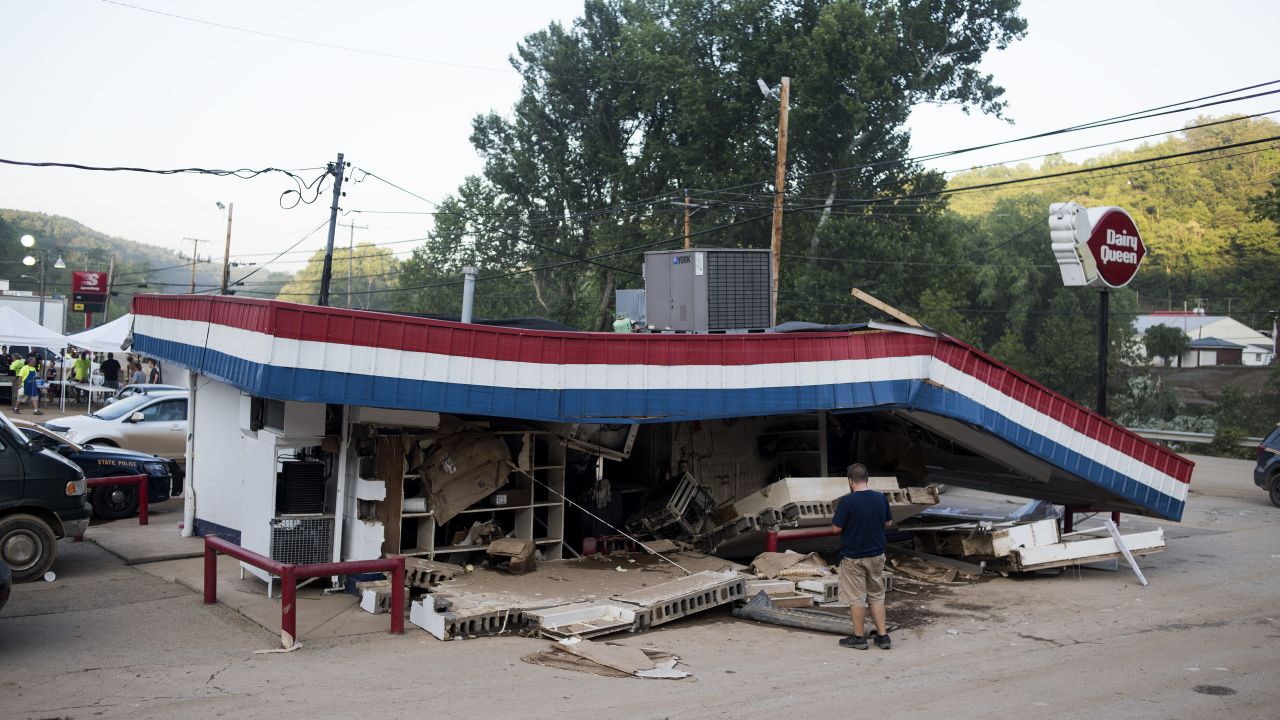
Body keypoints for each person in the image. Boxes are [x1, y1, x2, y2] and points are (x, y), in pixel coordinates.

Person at [831, 462, 893, 650]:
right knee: (876, 595)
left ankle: (859, 638)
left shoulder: (848, 502)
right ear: (867, 479)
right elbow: (888, 522)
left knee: (857, 598)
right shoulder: (880, 498)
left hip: (854, 557)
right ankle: (883, 637)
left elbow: (836, 528)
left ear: (850, 481)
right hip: (877, 555)